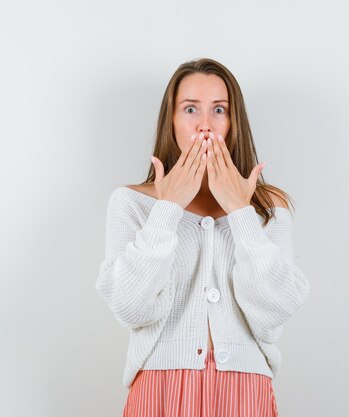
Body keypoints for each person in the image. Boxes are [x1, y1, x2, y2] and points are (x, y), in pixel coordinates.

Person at [95, 57, 310, 417]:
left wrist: (240, 212)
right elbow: (130, 306)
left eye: (219, 110)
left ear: (233, 122)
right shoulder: (131, 202)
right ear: (172, 121)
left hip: (245, 392)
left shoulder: (268, 206)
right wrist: (168, 209)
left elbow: (275, 309)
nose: (205, 125)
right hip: (160, 391)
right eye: (191, 109)